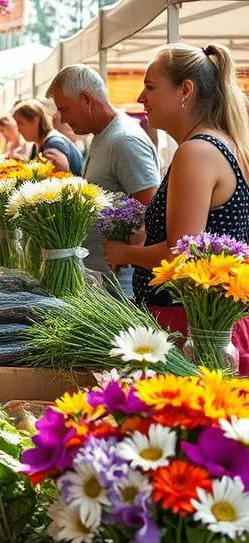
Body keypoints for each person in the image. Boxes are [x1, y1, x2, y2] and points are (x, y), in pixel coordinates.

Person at [104, 44, 249, 337]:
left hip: (189, 324)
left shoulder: (196, 151)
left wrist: (126, 252)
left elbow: (180, 254)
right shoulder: (222, 143)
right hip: (210, 320)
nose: (140, 98)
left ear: (185, 90)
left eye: (150, 87)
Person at [47, 64, 160, 294]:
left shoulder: (124, 140)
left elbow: (150, 212)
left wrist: (124, 254)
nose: (62, 119)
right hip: (101, 282)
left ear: (86, 99)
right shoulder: (101, 135)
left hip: (120, 287)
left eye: (65, 109)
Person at [12, 99, 84, 175]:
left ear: (36, 120)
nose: (18, 129)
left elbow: (53, 180)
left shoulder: (53, 144)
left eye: (20, 123)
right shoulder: (37, 144)